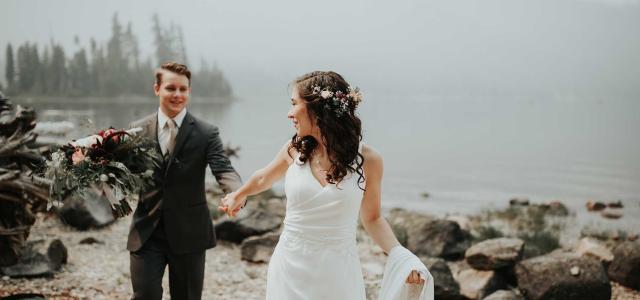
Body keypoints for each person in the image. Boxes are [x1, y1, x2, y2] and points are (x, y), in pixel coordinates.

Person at [219, 71, 431, 299]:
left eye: (294, 104)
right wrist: (238, 194)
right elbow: (264, 178)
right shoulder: (294, 149)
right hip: (289, 267)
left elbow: (372, 219)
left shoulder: (369, 160)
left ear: (318, 109)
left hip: (338, 272)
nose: (289, 113)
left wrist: (402, 255)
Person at [127, 62, 241, 300]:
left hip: (190, 233)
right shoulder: (136, 130)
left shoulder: (206, 132)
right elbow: (120, 167)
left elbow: (223, 168)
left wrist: (235, 193)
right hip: (147, 232)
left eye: (183, 89)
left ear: (189, 91)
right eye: (171, 88)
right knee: (144, 296)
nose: (177, 95)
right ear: (157, 89)